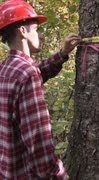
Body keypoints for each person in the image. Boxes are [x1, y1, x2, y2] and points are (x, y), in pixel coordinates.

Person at [0, 0, 81, 179]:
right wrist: (57, 176)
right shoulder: (26, 74)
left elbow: (37, 72)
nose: (41, 35)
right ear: (23, 31)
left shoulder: (5, 68)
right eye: (36, 29)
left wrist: (63, 53)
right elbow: (39, 142)